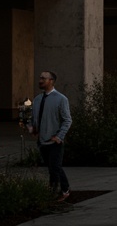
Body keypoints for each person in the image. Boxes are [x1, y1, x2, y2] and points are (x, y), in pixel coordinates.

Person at [28, 70, 72, 201]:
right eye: (40, 78)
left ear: (51, 81)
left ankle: (61, 190)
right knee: (52, 167)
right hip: (42, 141)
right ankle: (59, 189)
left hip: (54, 141)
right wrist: (32, 128)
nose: (40, 80)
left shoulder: (61, 99)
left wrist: (59, 136)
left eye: (43, 78)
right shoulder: (37, 99)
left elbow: (67, 120)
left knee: (55, 167)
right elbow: (34, 118)